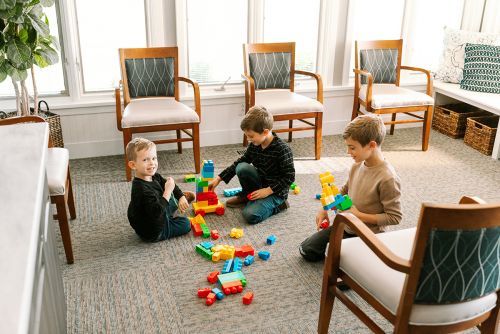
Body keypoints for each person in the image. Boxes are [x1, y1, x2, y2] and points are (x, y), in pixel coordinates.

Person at [300, 114, 402, 262]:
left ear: (372, 145)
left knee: (348, 271)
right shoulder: (357, 165)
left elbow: (395, 217)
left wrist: (359, 215)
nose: (348, 152)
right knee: (306, 250)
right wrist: (324, 208)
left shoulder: (388, 178)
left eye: (352, 148)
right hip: (347, 226)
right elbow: (344, 190)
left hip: (369, 234)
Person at [209, 106, 295, 224]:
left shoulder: (282, 149)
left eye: (251, 136)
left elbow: (289, 177)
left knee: (249, 215)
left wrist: (268, 191)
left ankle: (280, 206)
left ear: (265, 132)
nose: (249, 139)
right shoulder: (255, 145)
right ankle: (247, 195)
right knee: (242, 167)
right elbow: (241, 161)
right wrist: (219, 178)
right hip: (261, 182)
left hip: (276, 192)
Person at [126, 138, 194, 242]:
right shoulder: (141, 189)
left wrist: (180, 196)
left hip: (155, 208)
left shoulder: (154, 176)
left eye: (154, 158)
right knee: (186, 224)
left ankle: (178, 199)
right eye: (145, 160)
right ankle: (172, 206)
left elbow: (170, 185)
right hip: (154, 231)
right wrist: (167, 191)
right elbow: (156, 213)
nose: (152, 163)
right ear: (133, 165)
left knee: (170, 191)